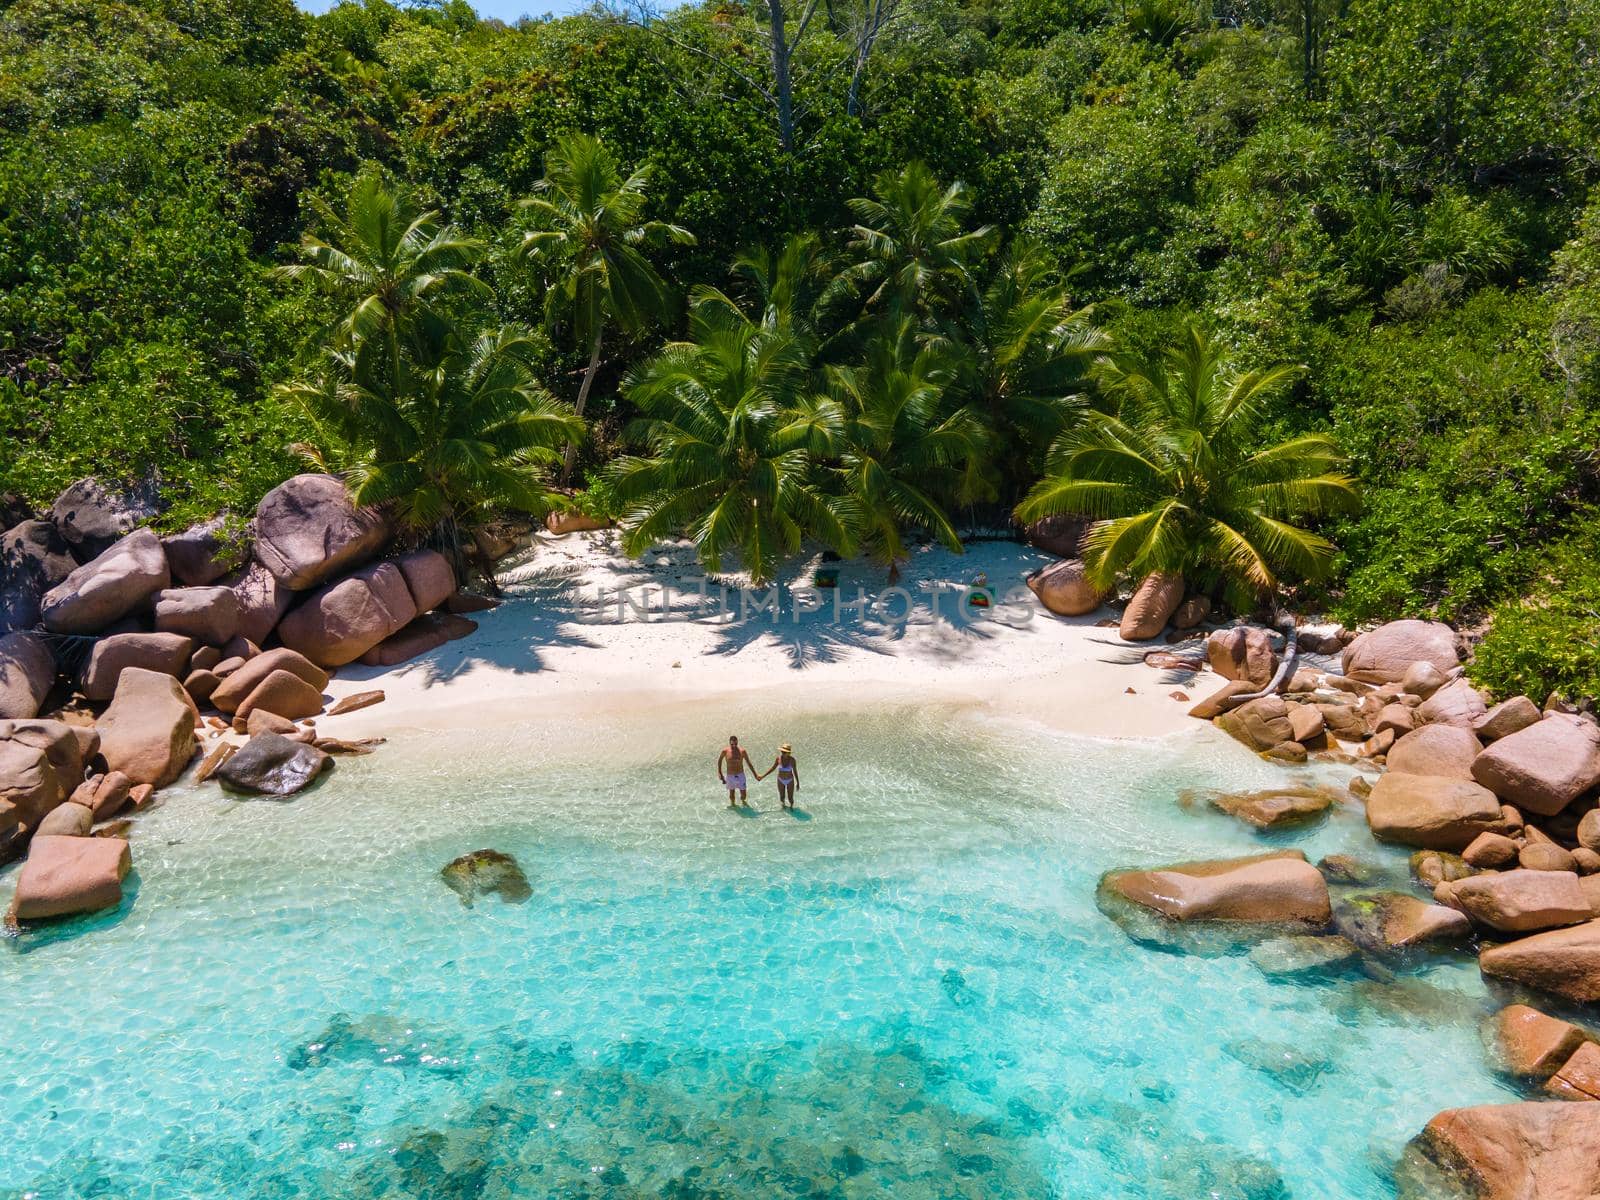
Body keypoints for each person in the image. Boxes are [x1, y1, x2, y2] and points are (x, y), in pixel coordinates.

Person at [717, 735, 756, 808]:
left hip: (740, 775)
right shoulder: (725, 751)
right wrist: (719, 772)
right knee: (732, 794)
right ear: (729, 743)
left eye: (736, 744)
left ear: (737, 742)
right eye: (732, 744)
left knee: (743, 795)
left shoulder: (742, 751)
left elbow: (749, 763)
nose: (734, 746)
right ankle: (733, 805)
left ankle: (743, 803)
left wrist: (755, 775)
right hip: (730, 776)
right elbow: (719, 761)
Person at [758, 744, 799, 809]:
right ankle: (784, 809)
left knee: (790, 798)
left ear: (789, 753)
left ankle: (791, 808)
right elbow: (772, 768)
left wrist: (798, 783)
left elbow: (795, 771)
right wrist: (763, 776)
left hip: (790, 780)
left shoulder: (792, 760)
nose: (783, 753)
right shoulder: (778, 759)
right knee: (782, 797)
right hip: (780, 780)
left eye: (784, 752)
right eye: (782, 752)